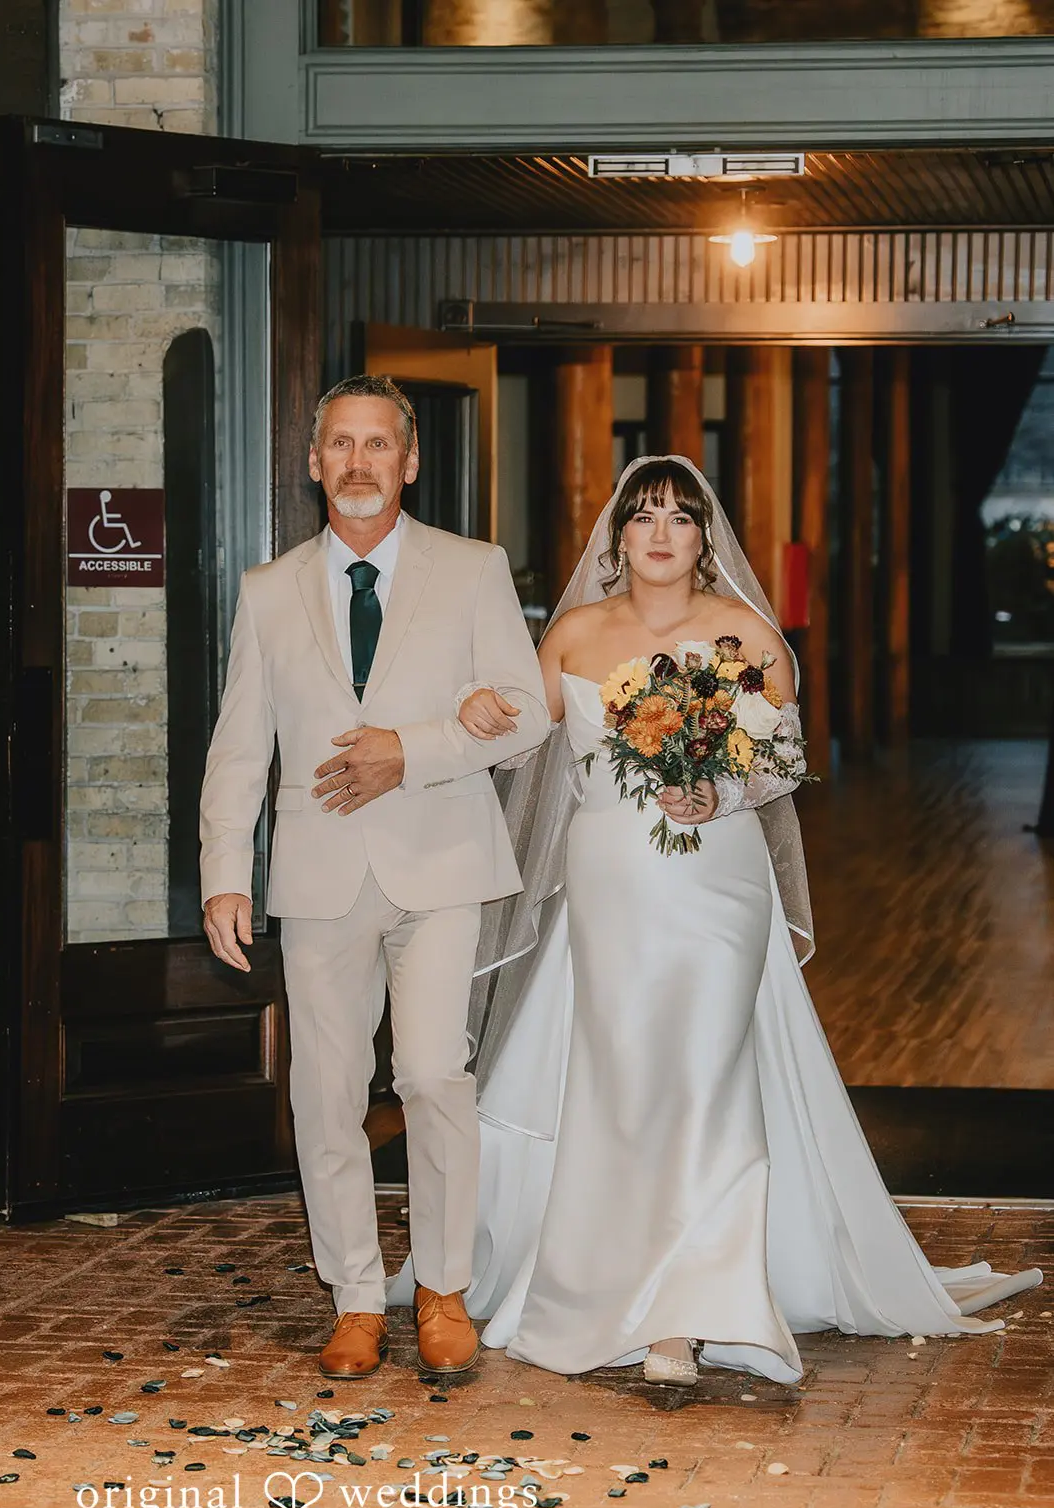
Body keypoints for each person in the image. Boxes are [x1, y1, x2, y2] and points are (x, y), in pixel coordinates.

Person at [386, 455, 1041, 1387]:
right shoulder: (570, 634)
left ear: (704, 536)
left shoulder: (747, 636)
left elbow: (780, 760)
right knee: (618, 1085)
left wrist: (721, 785)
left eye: (680, 518)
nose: (659, 533)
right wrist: (468, 703)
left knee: (703, 1082)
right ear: (617, 536)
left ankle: (685, 1317)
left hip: (718, 889)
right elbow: (519, 739)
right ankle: (605, 1282)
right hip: (608, 884)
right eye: (642, 515)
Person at [199, 375, 550, 1380]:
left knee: (434, 1073)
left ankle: (441, 1288)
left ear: (408, 460)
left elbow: (525, 714)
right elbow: (238, 747)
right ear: (314, 464)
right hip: (316, 877)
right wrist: (226, 869)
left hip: (440, 861)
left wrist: (418, 747)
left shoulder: (471, 568)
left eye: (376, 445)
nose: (358, 464)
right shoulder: (268, 591)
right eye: (339, 446)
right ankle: (355, 1295)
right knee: (324, 1090)